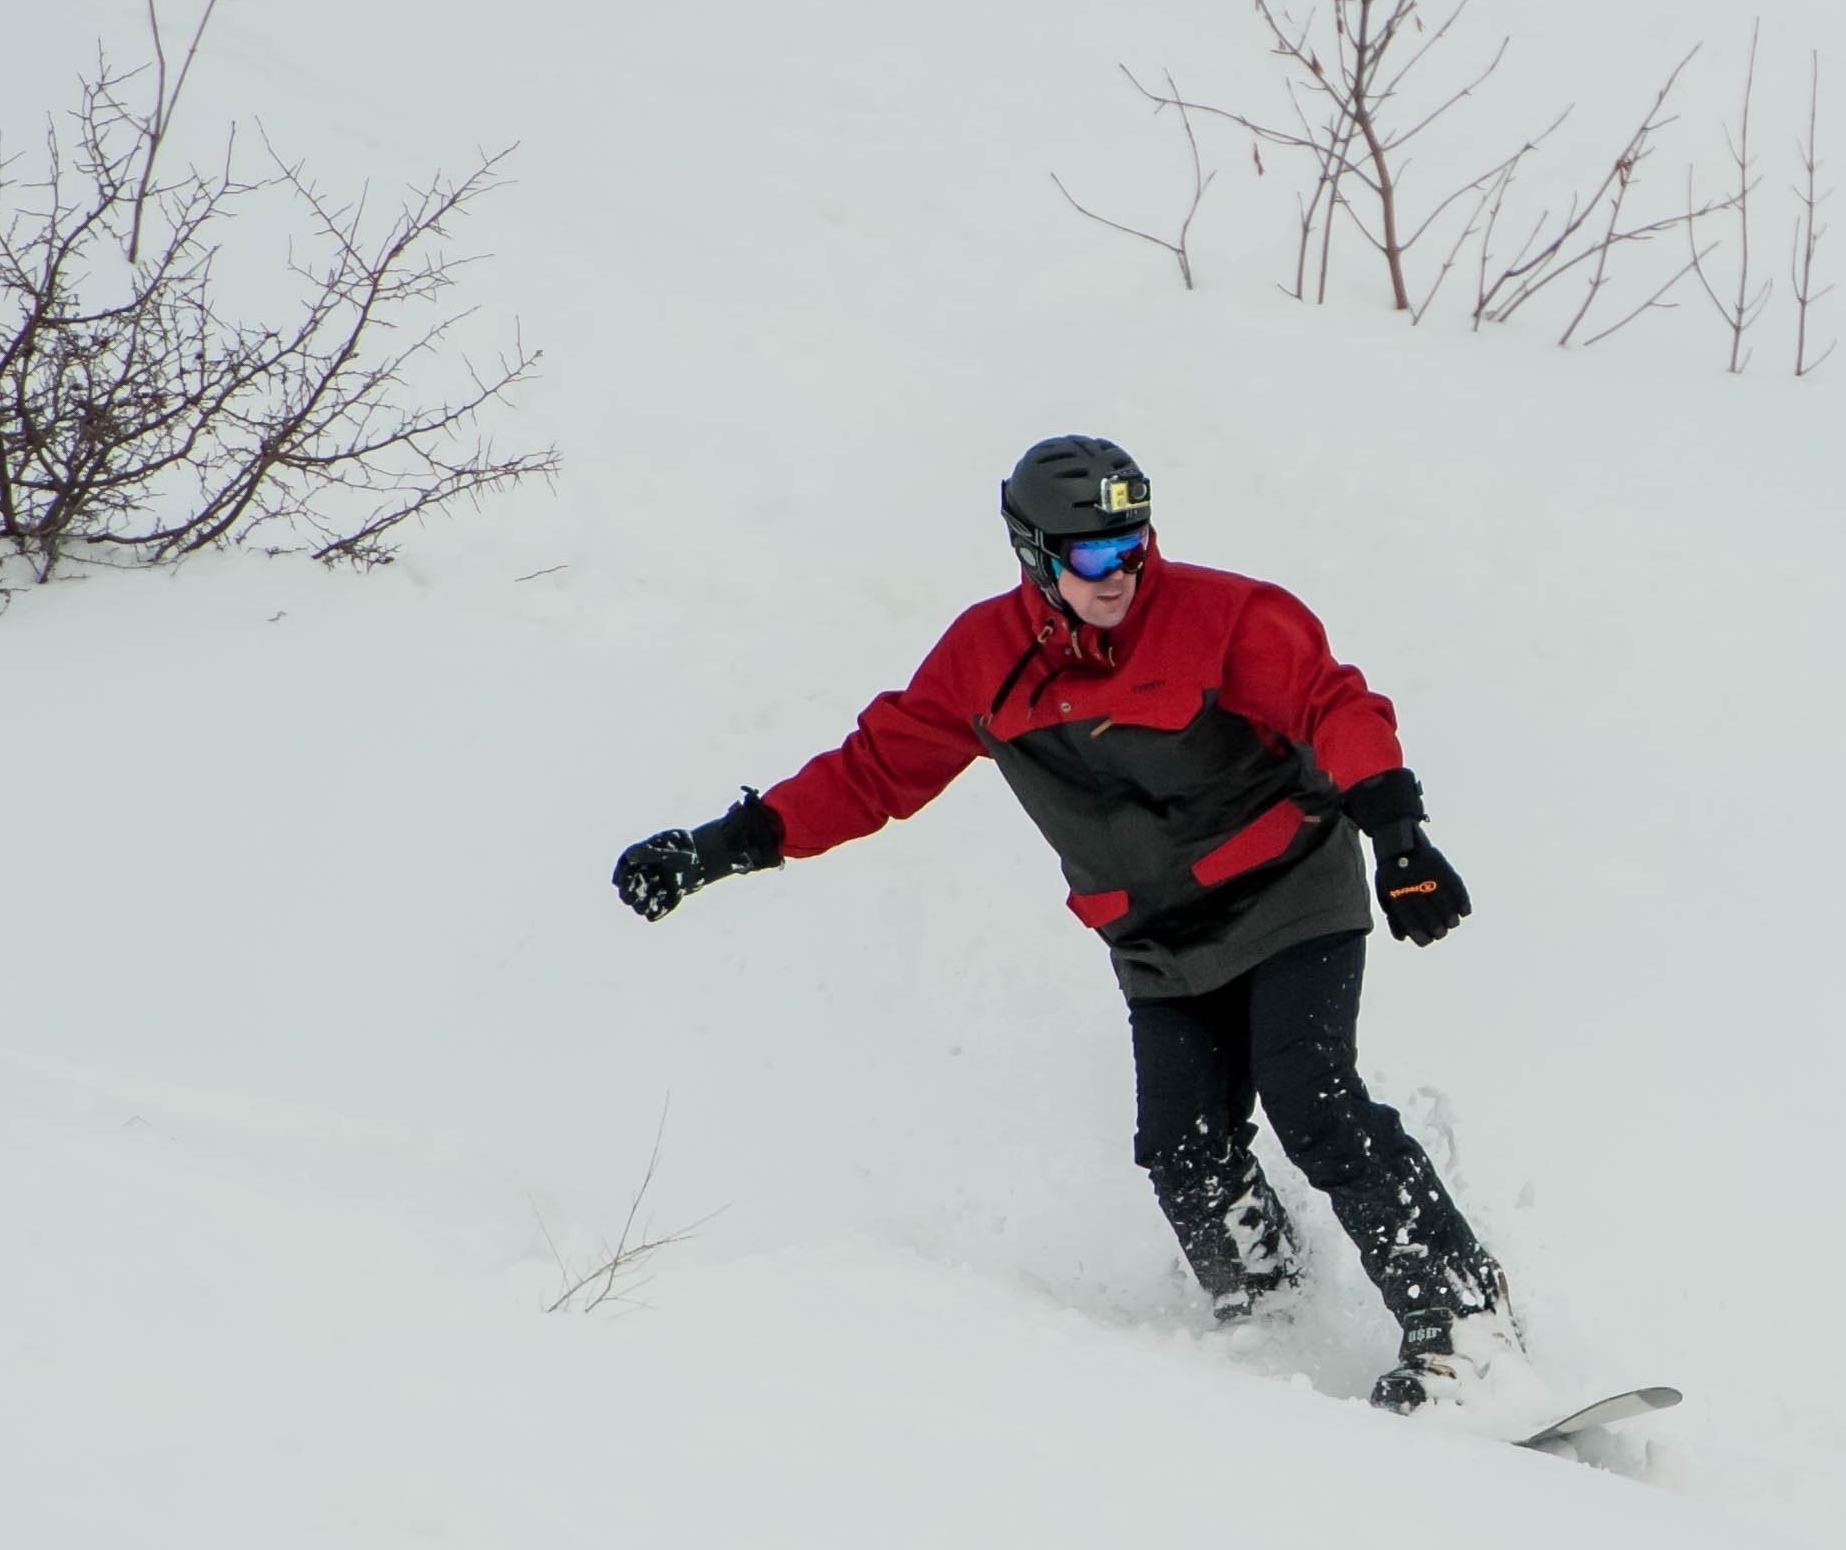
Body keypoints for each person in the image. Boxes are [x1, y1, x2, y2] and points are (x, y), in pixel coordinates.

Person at [610, 435, 1526, 1413]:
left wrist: (1398, 836)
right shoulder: (982, 660)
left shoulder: (1225, 617)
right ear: (1034, 552)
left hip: (1288, 889)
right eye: (1093, 554)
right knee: (1180, 1146)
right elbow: (873, 772)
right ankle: (1274, 1326)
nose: (1121, 572)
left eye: (1134, 544)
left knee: (1313, 1096)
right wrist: (717, 847)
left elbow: (1332, 702)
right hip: (1156, 938)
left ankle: (1463, 1329)